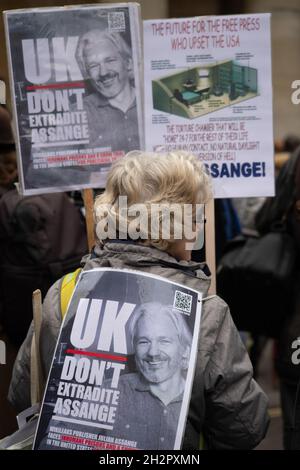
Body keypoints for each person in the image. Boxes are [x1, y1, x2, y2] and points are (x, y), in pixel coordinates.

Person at [9, 150, 269, 449]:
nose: (198, 229)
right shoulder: (204, 311)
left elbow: (23, 394)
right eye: (195, 217)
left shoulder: (64, 291)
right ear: (173, 225)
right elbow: (244, 427)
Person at [109, 302, 192, 449]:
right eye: (144, 341)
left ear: (185, 350)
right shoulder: (112, 389)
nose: (153, 352)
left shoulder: (198, 397)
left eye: (164, 341)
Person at [76, 29, 140, 152]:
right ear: (87, 73)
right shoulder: (79, 111)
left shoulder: (151, 101)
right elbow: (39, 168)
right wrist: (90, 173)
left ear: (128, 63)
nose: (103, 72)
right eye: (93, 66)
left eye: (110, 60)